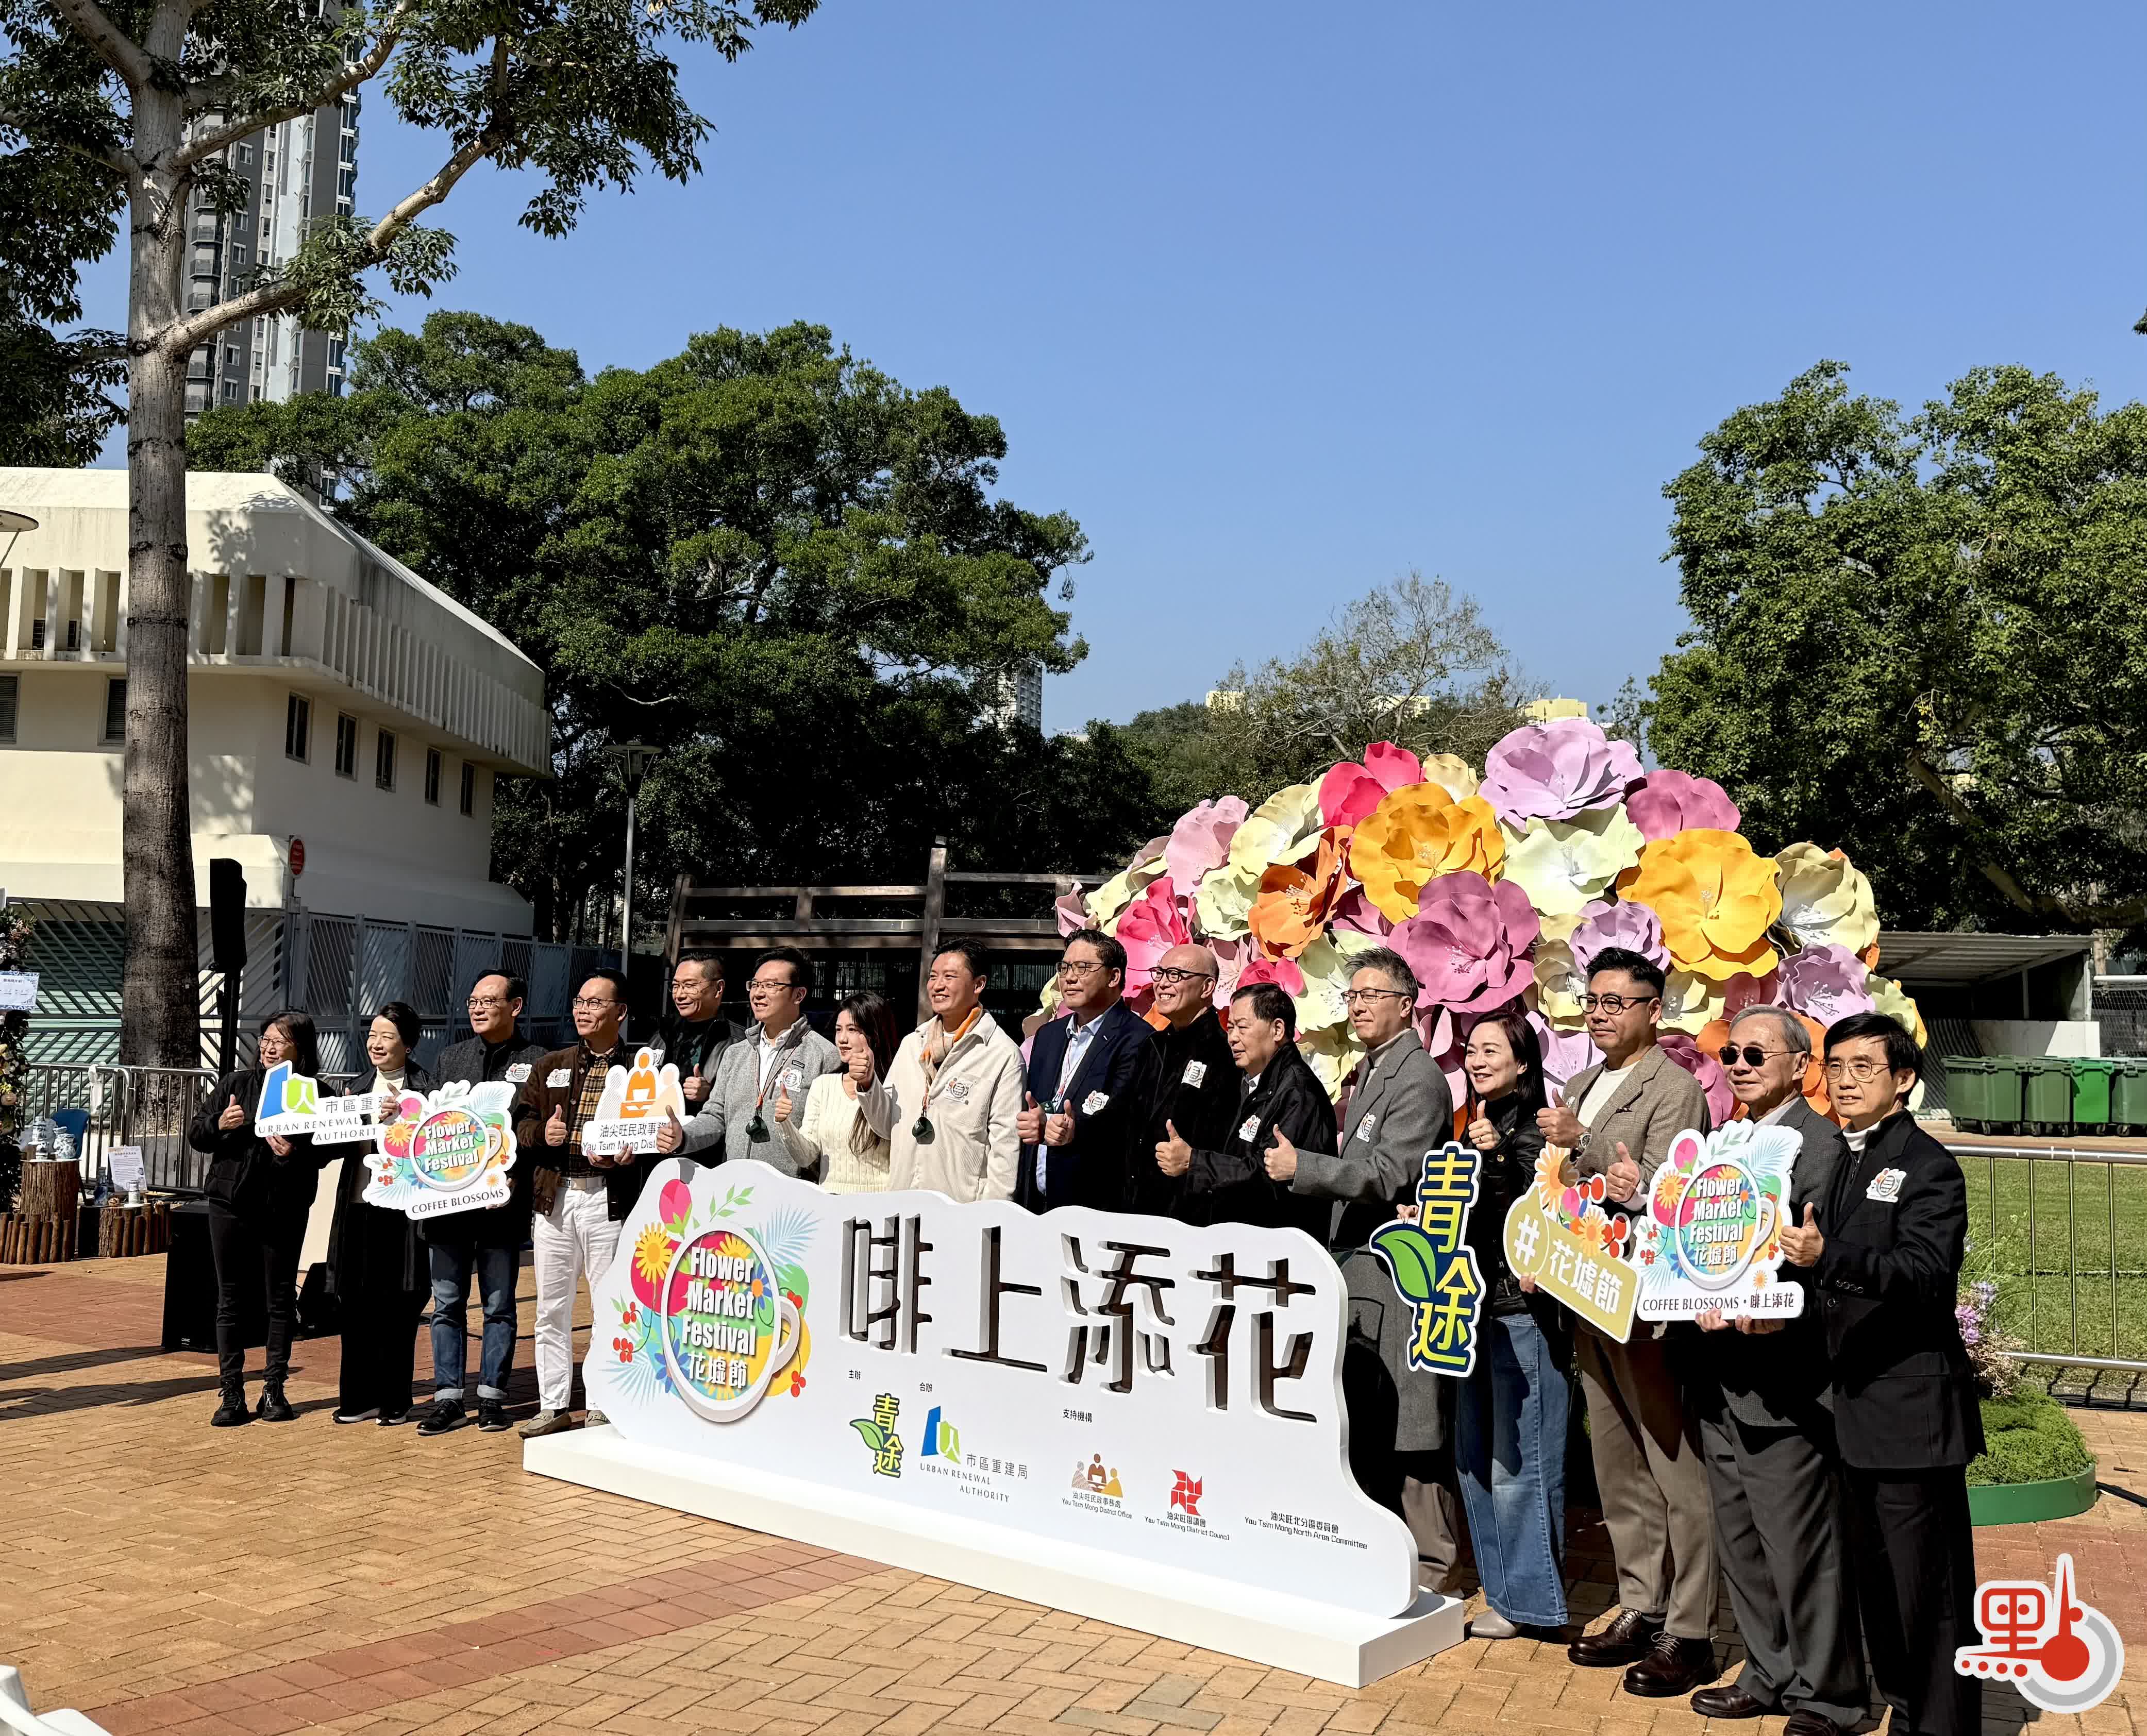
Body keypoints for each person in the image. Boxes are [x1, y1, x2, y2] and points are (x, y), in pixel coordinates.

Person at [1781, 1012, 1982, 1736]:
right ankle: (1903, 1704)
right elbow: (1822, 1275)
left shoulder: (1927, 1165)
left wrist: (1827, 1257)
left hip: (1910, 1412)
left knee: (1928, 1587)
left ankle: (1941, 1723)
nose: (1844, 1080)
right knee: (1879, 1579)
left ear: (1902, 1079)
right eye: (1834, 1066)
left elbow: (1925, 1274)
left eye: (1862, 1067)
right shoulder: (1845, 1157)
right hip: (1853, 1409)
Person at [1539, 947, 1718, 1694]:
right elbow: (1563, 1185)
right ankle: (1641, 1603)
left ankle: (1691, 1628)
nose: (1599, 1013)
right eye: (1592, 1000)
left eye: (1616, 1001)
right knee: (1616, 1463)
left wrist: (1581, 1145)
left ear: (1654, 1009)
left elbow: (1669, 1189)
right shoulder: (1580, 1084)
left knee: (1672, 1461)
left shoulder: (1674, 1089)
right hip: (1586, 1294)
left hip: (1645, 1303)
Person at [1682, 1004, 1864, 1736]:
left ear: (1799, 1066)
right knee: (1742, 1542)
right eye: (1730, 1054)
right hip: (1718, 1374)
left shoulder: (1822, 1148)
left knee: (1800, 1548)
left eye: (1755, 1055)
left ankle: (1828, 1696)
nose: (1738, 1066)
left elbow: (1826, 1265)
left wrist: (1777, 1310)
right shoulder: (1721, 1142)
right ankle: (1767, 1672)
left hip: (1785, 1380)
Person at [1265, 946, 1461, 1591]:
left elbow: (1390, 1173)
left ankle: (1432, 1567)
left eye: (1371, 995)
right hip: (1364, 1271)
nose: (1357, 1006)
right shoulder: (1375, 1069)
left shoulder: (1417, 1077)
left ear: (1406, 1006)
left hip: (1397, 1273)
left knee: (1410, 1420)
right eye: (1352, 996)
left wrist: (1305, 1169)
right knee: (1375, 1418)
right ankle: (1388, 1554)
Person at [1451, 1008, 1570, 1641]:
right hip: (1468, 1310)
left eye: (1491, 1050)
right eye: (1471, 1049)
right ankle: (1503, 1594)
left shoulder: (1533, 1131)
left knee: (1520, 1465)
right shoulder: (1476, 1124)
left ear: (1523, 1063)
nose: (1476, 1060)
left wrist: (1495, 1159)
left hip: (1520, 1314)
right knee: (1474, 1460)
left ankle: (1533, 1603)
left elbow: (1530, 1216)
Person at [512, 969, 650, 1439]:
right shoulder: (551, 1064)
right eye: (579, 1001)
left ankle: (602, 1402)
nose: (583, 1010)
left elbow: (655, 1129)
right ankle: (553, 1404)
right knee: (551, 1308)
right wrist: (543, 1133)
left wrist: (635, 1151)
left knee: (610, 1305)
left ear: (620, 1011)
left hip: (609, 1200)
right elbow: (520, 1125)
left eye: (595, 1002)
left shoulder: (641, 1069)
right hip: (555, 1197)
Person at [416, 969, 547, 1437]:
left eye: (489, 1000)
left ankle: (492, 1397)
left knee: (499, 1304)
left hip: (500, 1206)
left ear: (515, 1006)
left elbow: (536, 1129)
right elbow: (431, 1126)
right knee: (447, 1303)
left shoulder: (538, 1060)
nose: (477, 1008)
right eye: (473, 1000)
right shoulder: (450, 1058)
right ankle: (448, 1398)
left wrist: (514, 1177)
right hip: (448, 1208)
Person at [188, 1009, 330, 1426]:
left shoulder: (314, 1092)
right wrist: (220, 1123)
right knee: (230, 1298)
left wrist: (296, 1152)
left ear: (300, 1049)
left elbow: (331, 1147)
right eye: (266, 1039)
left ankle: (274, 1388)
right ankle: (231, 1391)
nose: (269, 1048)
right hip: (230, 1202)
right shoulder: (235, 1083)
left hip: (284, 1205)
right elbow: (197, 1133)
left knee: (280, 1298)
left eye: (279, 1041)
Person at [326, 1003, 433, 1426]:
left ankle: (395, 1399)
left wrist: (402, 1119)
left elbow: (434, 1145)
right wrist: (342, 1119)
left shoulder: (427, 1088)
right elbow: (333, 1148)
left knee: (399, 1304)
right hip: (359, 1206)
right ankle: (357, 1397)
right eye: (372, 1034)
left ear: (408, 1044)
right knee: (355, 1302)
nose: (376, 1043)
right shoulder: (354, 1087)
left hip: (404, 1212)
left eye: (387, 1036)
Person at [1155, 980, 1333, 1233]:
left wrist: (1194, 1162)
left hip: (1277, 1245)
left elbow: (1270, 1176)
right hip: (1236, 1237)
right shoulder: (1246, 1081)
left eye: (1242, 1027)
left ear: (1277, 1030)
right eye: (1230, 1028)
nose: (1233, 1038)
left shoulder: (1298, 1092)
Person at [1015, 930, 1161, 1213]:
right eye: (1065, 967)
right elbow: (1039, 1107)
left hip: (1096, 1205)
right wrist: (1036, 1122)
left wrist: (1074, 1131)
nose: (1069, 977)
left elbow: (1126, 1120)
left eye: (1083, 968)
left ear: (1114, 977)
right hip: (1037, 1204)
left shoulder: (1140, 1039)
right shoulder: (1048, 1036)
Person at [871, 939, 1027, 1202]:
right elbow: (887, 1126)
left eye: (949, 977)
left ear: (979, 984)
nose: (937, 986)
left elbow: (1006, 1147)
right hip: (903, 1203)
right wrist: (868, 1085)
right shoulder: (912, 1044)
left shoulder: (1002, 1054)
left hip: (962, 1212)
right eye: (933, 977)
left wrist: (992, 1216)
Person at [667, 947, 840, 1173]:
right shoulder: (736, 1053)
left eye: (771, 985)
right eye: (756, 985)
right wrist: (683, 1137)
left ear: (798, 995)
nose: (758, 994)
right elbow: (715, 1116)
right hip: (736, 1187)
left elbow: (830, 1137)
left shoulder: (825, 1056)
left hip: (793, 1190)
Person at [1130, 944, 1238, 1222]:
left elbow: (1228, 1145)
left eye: (1176, 975)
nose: (1163, 984)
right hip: (1138, 1209)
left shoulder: (1225, 1053)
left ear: (1207, 987)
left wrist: (1194, 1162)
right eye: (1160, 973)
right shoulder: (1152, 1046)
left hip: (1193, 1215)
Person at [798, 991, 901, 1193]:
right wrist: (783, 1124)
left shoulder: (897, 1083)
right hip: (830, 1202)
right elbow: (806, 1156)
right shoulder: (823, 1085)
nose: (842, 1039)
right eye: (838, 1030)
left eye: (852, 1029)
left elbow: (888, 1131)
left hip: (879, 1206)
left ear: (875, 1033)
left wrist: (868, 1083)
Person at [657, 950, 739, 1114]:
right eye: (675, 986)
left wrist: (710, 1094)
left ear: (718, 988)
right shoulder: (662, 1035)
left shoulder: (738, 1042)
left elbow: (746, 1102)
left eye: (689, 986)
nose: (679, 995)